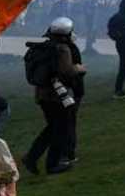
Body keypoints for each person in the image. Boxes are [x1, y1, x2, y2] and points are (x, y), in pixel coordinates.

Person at [22, 17, 85, 175]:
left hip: (42, 95)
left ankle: (31, 157)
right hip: (58, 96)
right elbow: (66, 72)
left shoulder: (44, 47)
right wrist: (78, 68)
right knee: (61, 129)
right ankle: (52, 165)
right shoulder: (62, 49)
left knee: (52, 128)